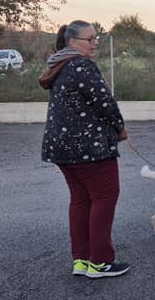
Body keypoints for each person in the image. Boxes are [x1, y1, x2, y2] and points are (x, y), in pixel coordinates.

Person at [40, 21, 130, 279]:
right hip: (89, 149)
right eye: (89, 39)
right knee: (104, 198)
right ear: (73, 42)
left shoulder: (60, 65)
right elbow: (106, 102)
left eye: (96, 39)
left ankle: (82, 260)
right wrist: (120, 129)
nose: (95, 43)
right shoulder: (81, 65)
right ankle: (100, 262)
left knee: (80, 201)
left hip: (62, 149)